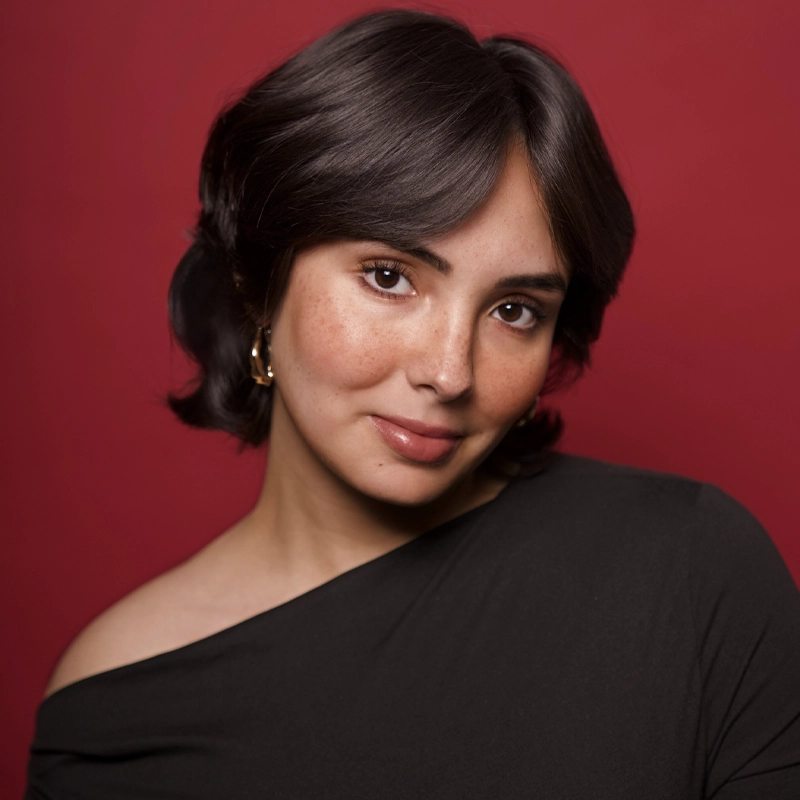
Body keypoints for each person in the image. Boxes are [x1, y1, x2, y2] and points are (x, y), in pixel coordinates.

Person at [25, 9, 800, 798]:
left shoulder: (690, 572)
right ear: (261, 283)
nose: (450, 372)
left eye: (514, 311)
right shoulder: (118, 708)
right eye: (390, 277)